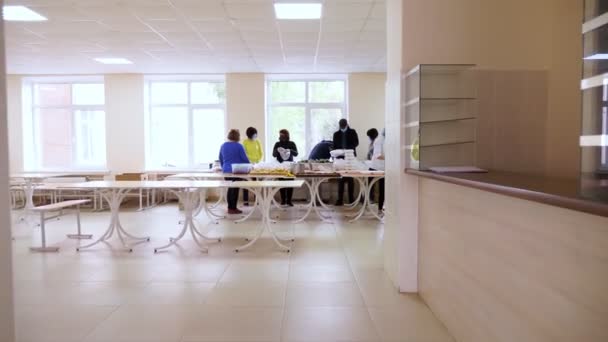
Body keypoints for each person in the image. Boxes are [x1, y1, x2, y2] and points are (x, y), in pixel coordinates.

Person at [219, 129, 250, 215]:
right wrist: (250, 165)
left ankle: (230, 207)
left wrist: (223, 168)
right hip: (236, 170)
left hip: (226, 170)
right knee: (235, 189)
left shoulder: (223, 146)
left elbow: (221, 159)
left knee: (230, 188)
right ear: (237, 136)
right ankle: (232, 208)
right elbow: (244, 159)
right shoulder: (239, 146)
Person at [332, 118, 359, 205]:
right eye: (341, 126)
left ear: (346, 124)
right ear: (339, 126)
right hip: (340, 158)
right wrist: (338, 151)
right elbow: (334, 145)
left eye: (343, 126)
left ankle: (351, 199)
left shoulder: (352, 132)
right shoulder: (336, 134)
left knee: (350, 178)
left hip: (350, 157)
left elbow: (356, 143)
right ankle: (340, 200)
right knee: (341, 179)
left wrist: (347, 149)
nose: (342, 128)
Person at [272, 129, 298, 206]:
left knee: (290, 183)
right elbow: (273, 154)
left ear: (287, 135)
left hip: (290, 166)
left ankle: (289, 200)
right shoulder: (277, 144)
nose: (281, 137)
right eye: (280, 135)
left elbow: (296, 153)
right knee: (281, 183)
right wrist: (277, 150)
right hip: (280, 166)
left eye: (283, 135)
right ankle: (283, 200)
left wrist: (290, 150)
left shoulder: (292, 143)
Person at [242, 127, 263, 206]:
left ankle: (256, 200)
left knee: (256, 182)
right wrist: (250, 161)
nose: (255, 136)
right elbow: (244, 154)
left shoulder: (258, 142)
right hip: (248, 164)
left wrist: (258, 161)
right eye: (254, 134)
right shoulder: (245, 142)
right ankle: (245, 200)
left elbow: (261, 153)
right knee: (245, 183)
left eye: (256, 134)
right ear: (249, 135)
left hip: (256, 165)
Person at [371, 128, 385, 215]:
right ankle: (380, 208)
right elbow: (378, 155)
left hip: (386, 167)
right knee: (382, 188)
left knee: (384, 189)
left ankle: (382, 207)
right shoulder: (379, 140)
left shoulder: (384, 140)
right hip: (380, 167)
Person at [366, 128, 379, 200]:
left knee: (370, 180)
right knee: (368, 180)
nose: (369, 138)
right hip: (372, 164)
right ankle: (369, 196)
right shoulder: (371, 143)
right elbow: (368, 155)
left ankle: (371, 197)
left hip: (377, 165)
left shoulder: (378, 143)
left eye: (369, 137)